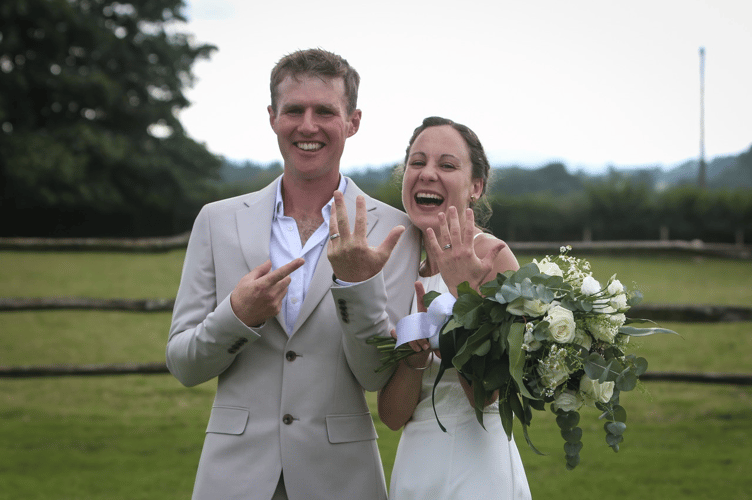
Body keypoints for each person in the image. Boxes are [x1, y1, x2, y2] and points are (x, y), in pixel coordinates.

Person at [166, 48, 420, 500]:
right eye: (294, 111)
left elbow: (375, 376)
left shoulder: (392, 231)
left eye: (325, 111)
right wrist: (237, 315)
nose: (308, 126)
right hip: (233, 478)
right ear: (272, 117)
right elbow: (183, 365)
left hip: (341, 479)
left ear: (353, 121)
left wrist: (358, 284)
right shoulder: (216, 221)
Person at [328, 116, 532, 499]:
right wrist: (414, 358)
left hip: (476, 467)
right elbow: (391, 417)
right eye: (417, 163)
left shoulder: (494, 258)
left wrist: (465, 294)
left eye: (447, 165)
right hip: (415, 464)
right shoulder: (403, 267)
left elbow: (486, 396)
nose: (427, 174)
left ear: (476, 187)